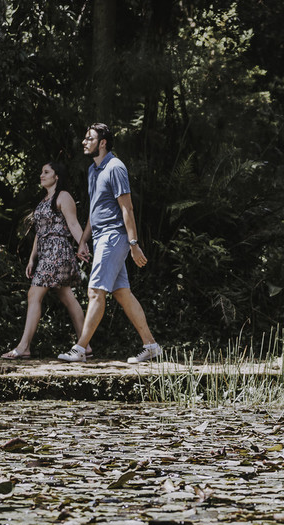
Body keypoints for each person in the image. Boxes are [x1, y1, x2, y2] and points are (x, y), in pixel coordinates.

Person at [57, 123, 163, 364]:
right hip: (101, 237)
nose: (84, 142)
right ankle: (151, 346)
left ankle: (80, 348)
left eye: (89, 138)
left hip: (114, 236)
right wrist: (83, 241)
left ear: (102, 142)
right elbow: (95, 211)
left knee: (95, 291)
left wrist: (133, 243)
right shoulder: (93, 170)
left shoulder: (115, 167)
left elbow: (127, 208)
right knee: (122, 293)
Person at [1, 162, 91, 359]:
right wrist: (32, 258)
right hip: (45, 252)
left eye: (46, 172)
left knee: (34, 294)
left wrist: (82, 244)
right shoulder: (44, 200)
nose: (41, 175)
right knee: (66, 295)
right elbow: (39, 232)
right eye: (42, 172)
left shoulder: (63, 196)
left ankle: (24, 347)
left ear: (56, 176)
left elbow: (73, 224)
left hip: (58, 251)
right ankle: (86, 345)